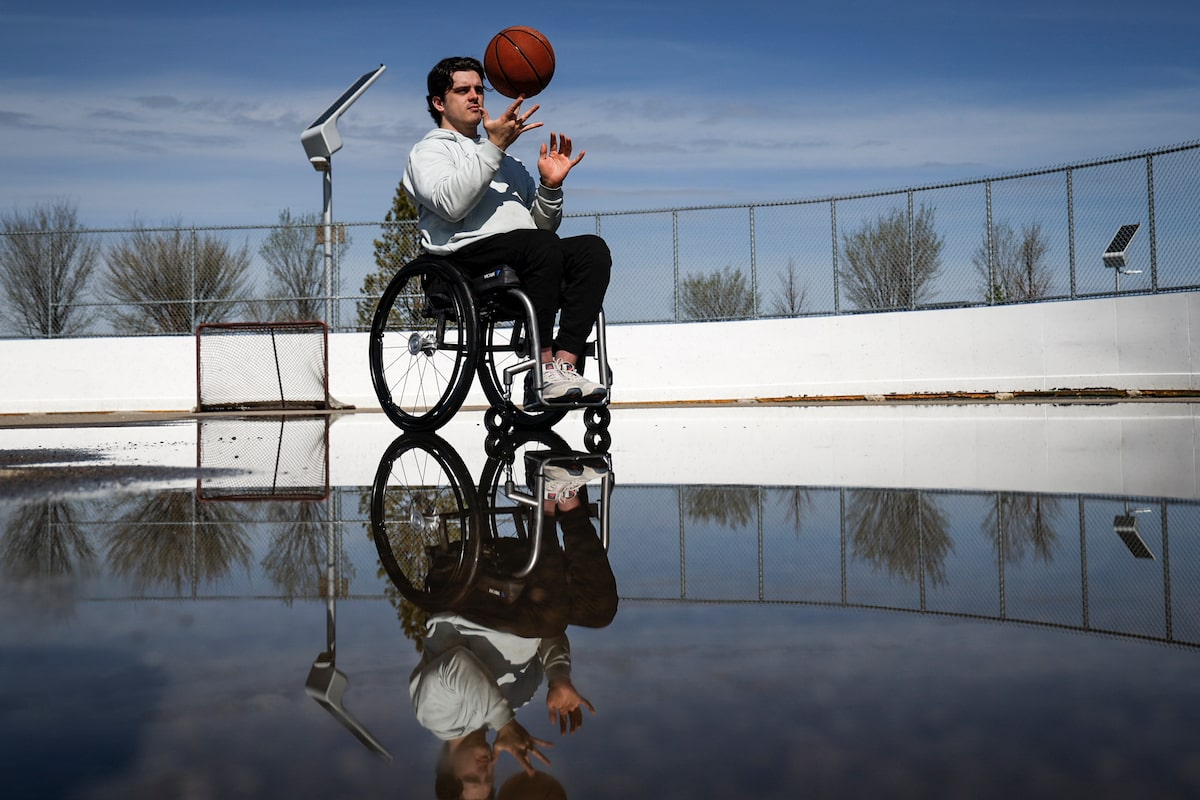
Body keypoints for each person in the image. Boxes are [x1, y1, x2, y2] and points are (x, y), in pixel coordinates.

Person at [403, 56, 611, 405]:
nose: (475, 97)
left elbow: (541, 226)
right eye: (462, 90)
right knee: (540, 247)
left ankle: (563, 366)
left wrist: (549, 187)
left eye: (479, 90)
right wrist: (494, 147)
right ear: (439, 102)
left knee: (592, 249)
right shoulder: (429, 151)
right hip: (463, 256)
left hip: (525, 252)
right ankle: (541, 367)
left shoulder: (508, 163)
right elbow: (452, 206)